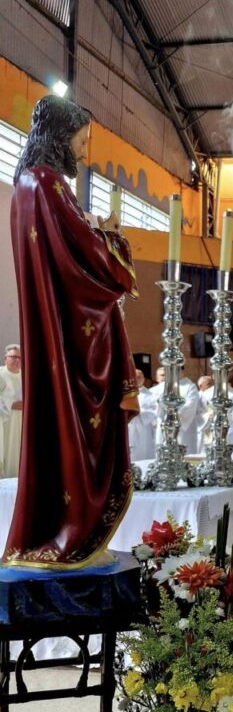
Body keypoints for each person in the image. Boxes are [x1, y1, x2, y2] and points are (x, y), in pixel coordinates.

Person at [2, 95, 138, 568]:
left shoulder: (26, 183)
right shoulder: (47, 182)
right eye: (82, 140)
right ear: (62, 135)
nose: (84, 151)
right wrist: (113, 239)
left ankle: (47, 528)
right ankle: (72, 527)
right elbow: (85, 255)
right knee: (75, 425)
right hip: (70, 333)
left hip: (54, 325)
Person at [150, 363, 200, 454]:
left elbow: (190, 405)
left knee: (183, 451)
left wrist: (172, 413)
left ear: (182, 371)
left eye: (178, 369)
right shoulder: (162, 386)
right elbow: (153, 403)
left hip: (182, 426)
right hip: (163, 423)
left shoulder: (190, 386)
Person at [0, 344, 23, 478]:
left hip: (21, 425)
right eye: (13, 357)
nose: (17, 360)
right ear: (5, 358)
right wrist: (12, 404)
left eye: (20, 358)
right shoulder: (0, 374)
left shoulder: (25, 377)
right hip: (4, 426)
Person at [128, 369, 157, 461]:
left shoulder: (151, 395)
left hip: (143, 429)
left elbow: (155, 411)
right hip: (128, 427)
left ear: (144, 379)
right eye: (134, 377)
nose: (136, 379)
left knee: (143, 452)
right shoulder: (125, 394)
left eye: (139, 377)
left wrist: (138, 412)